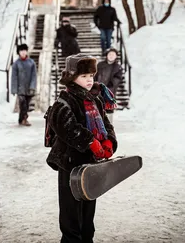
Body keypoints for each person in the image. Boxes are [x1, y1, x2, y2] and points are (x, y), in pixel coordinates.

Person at [46, 53, 118, 243]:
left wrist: (109, 141)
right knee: (71, 214)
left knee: (88, 211)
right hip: (69, 165)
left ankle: (87, 239)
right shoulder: (64, 101)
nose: (89, 80)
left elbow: (106, 124)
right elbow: (66, 126)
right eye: (84, 76)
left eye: (91, 76)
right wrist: (90, 142)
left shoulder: (96, 100)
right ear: (72, 77)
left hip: (90, 166)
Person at [11, 43, 37, 126]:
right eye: (21, 50)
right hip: (20, 89)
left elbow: (34, 76)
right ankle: (24, 119)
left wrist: (32, 86)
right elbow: (14, 77)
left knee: (27, 105)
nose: (23, 52)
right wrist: (14, 89)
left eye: (24, 50)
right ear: (18, 52)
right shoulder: (16, 64)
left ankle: (21, 119)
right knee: (23, 104)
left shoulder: (31, 62)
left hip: (29, 88)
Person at [94, 47, 122, 123]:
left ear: (116, 56)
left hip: (110, 91)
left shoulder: (117, 67)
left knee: (109, 109)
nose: (111, 56)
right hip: (99, 90)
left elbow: (118, 78)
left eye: (113, 55)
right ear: (106, 55)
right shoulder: (100, 65)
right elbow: (95, 75)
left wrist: (112, 83)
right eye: (110, 54)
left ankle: (109, 127)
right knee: (98, 108)